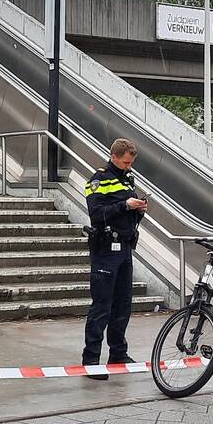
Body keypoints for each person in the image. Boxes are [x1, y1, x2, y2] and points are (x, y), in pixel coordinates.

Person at [81, 138, 148, 380]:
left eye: (131, 163)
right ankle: (91, 360)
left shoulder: (127, 179)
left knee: (123, 305)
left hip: (124, 249)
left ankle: (118, 353)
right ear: (114, 157)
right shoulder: (98, 180)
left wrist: (138, 210)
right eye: (126, 162)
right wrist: (124, 206)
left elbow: (127, 214)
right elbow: (96, 214)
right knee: (101, 306)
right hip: (105, 250)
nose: (129, 166)